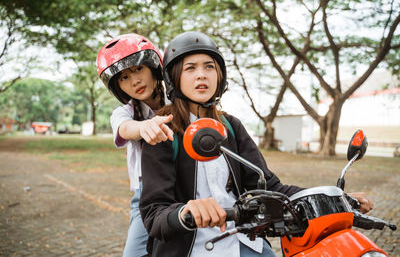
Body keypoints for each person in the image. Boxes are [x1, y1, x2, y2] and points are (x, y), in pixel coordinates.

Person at [138, 31, 373, 257]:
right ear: (173, 77)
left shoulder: (231, 126)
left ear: (220, 76)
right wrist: (184, 212)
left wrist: (334, 197)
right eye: (190, 68)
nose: (202, 75)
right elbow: (154, 212)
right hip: (188, 248)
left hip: (241, 240)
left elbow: (270, 187)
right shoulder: (162, 130)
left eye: (209, 66)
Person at [96, 33, 173, 257]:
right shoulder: (125, 113)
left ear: (153, 67)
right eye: (124, 78)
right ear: (118, 86)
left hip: (188, 185)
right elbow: (123, 128)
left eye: (138, 69)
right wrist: (142, 128)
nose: (135, 81)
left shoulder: (177, 100)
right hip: (147, 196)